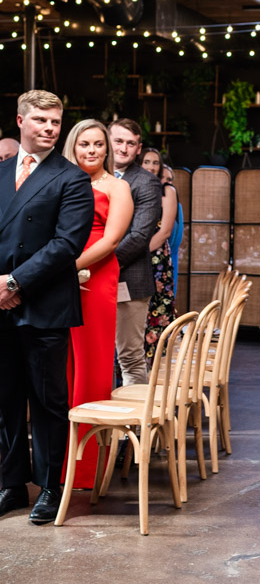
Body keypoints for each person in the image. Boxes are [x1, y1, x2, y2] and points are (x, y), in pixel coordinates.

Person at [0, 91, 94, 524]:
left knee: (47, 400)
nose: (50, 128)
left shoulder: (71, 178)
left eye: (55, 121)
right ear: (20, 121)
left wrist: (16, 282)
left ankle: (53, 487)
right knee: (5, 398)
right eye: (40, 120)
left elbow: (66, 245)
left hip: (45, 304)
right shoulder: (1, 173)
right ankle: (12, 484)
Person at [61, 120, 133, 488]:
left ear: (107, 149)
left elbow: (111, 240)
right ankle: (58, 463)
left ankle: (87, 468)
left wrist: (65, 268)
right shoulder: (63, 182)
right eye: (84, 144)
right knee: (61, 369)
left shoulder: (117, 186)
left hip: (96, 275)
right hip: (57, 278)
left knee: (91, 367)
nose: (91, 150)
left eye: (98, 144)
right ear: (73, 147)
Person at [108, 119, 161, 386]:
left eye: (130, 143)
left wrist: (97, 265)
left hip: (128, 280)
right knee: (99, 357)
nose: (123, 148)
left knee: (129, 357)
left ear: (138, 149)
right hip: (87, 281)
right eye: (118, 141)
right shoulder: (90, 176)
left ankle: (134, 425)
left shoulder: (146, 182)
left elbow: (140, 237)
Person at [140, 147, 177, 368]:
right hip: (136, 259)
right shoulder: (132, 187)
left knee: (158, 311)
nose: (152, 166)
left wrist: (138, 255)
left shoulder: (167, 191)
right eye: (147, 162)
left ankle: (156, 373)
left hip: (156, 261)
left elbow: (164, 231)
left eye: (155, 162)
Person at [161, 164, 184, 296]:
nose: (164, 181)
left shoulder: (175, 207)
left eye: (169, 179)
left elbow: (174, 242)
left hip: (165, 266)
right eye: (161, 177)